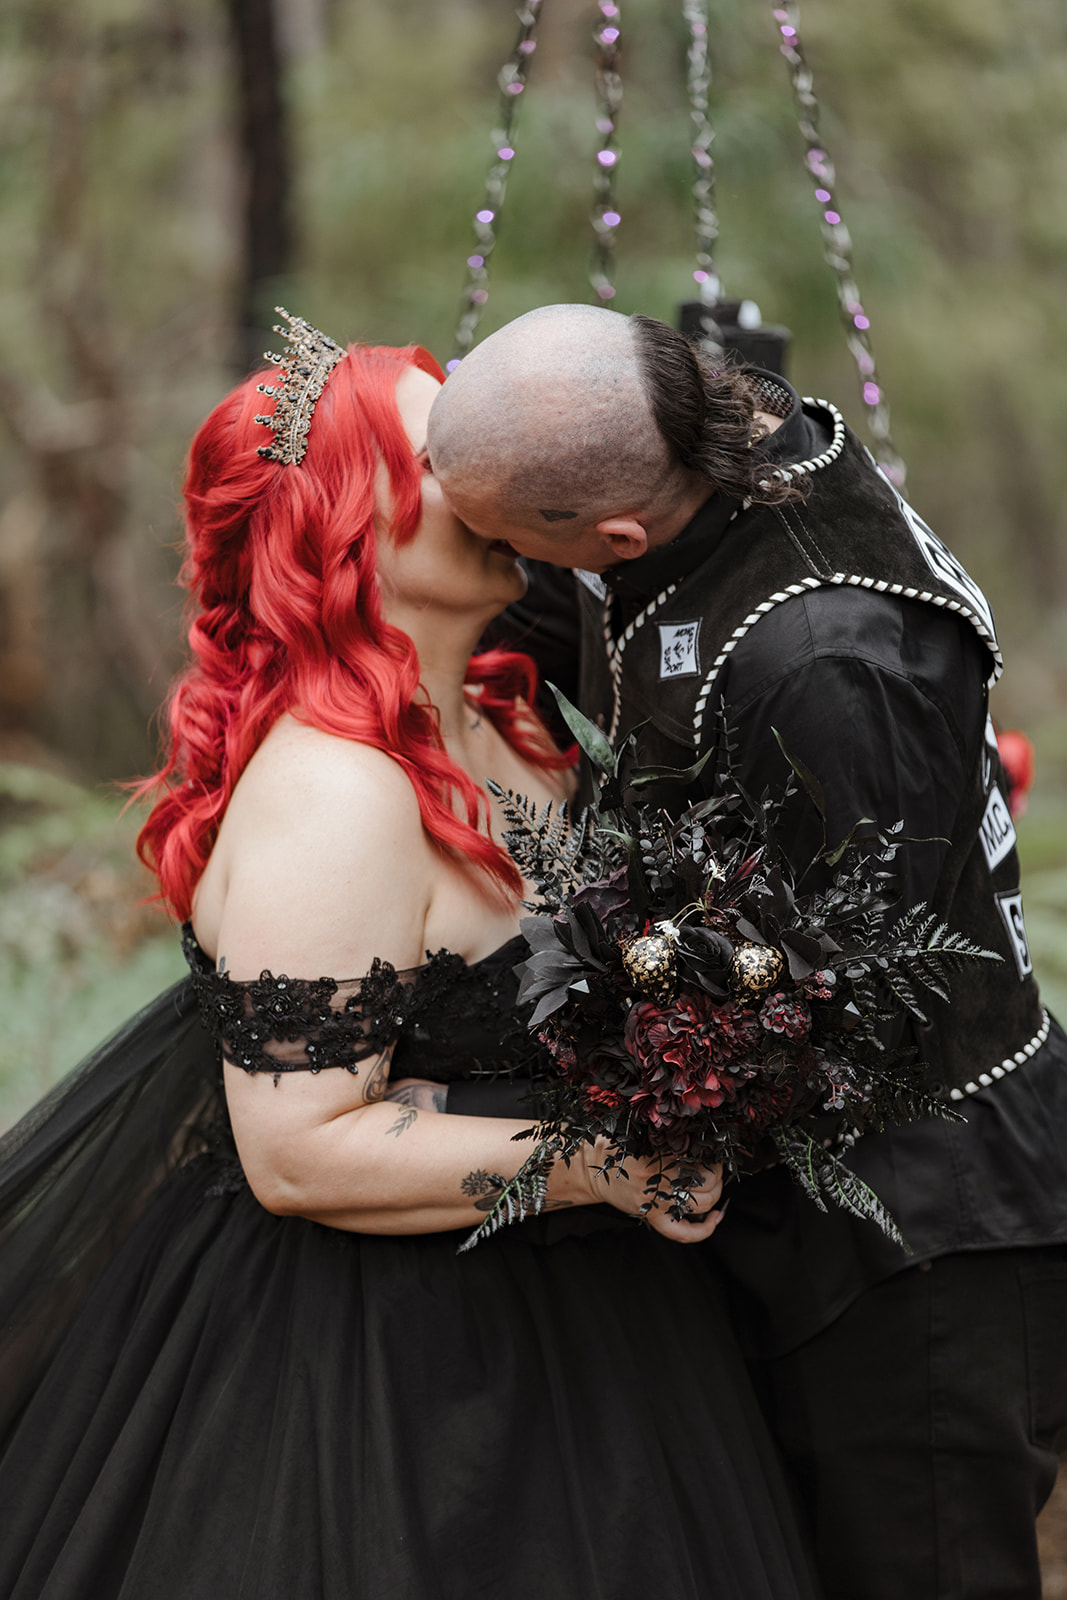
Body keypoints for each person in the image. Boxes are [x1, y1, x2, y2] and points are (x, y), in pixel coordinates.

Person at [0, 312, 824, 1600]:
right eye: (439, 458)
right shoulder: (334, 793)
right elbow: (297, 1151)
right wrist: (600, 1163)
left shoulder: (514, 721)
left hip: (606, 1327)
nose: (489, 473)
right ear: (344, 532)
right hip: (396, 1371)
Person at [426, 302, 1067, 1600]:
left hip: (922, 1236)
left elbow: (863, 1000)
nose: (491, 561)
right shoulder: (709, 428)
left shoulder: (825, 662)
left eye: (504, 543)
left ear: (616, 535)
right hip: (809, 1207)